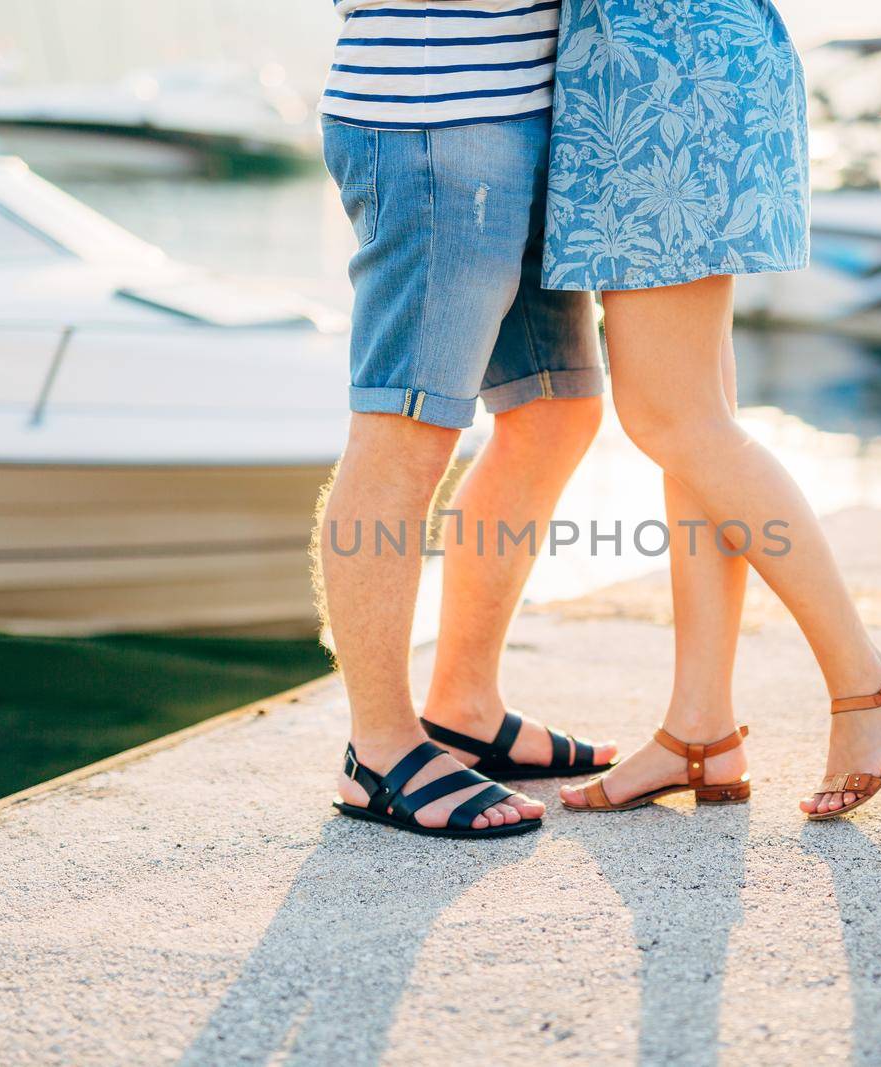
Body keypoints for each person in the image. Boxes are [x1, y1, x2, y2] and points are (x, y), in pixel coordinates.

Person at [545, 0, 881, 819]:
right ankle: (702, 728)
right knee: (696, 421)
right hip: (677, 62)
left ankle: (867, 684)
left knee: (670, 418)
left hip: (659, 76)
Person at [316, 0, 618, 839]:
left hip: (524, 114)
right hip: (429, 121)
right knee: (406, 427)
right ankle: (379, 748)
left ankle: (464, 705)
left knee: (557, 408)